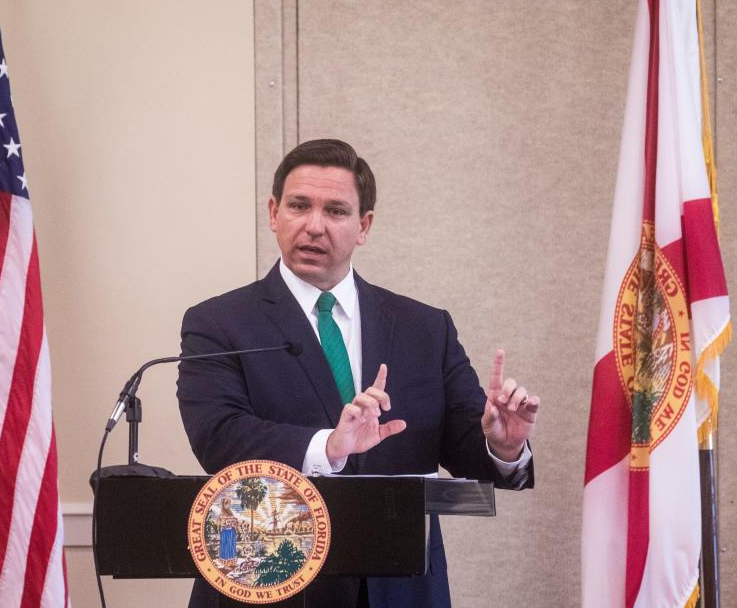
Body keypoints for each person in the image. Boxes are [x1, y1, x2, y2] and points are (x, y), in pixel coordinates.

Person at [177, 139, 540, 607]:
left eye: (335, 211)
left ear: (363, 225)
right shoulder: (219, 322)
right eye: (299, 206)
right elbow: (219, 439)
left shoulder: (425, 328)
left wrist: (503, 444)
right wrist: (328, 446)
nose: (313, 225)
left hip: (401, 588)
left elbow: (466, 447)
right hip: (270, 580)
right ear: (273, 213)